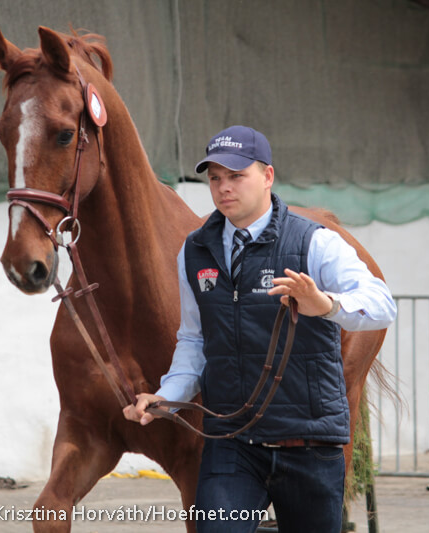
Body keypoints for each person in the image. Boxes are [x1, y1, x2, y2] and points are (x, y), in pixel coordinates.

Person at [123, 126, 396, 533]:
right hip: (232, 446)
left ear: (267, 176)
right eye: (215, 178)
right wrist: (168, 397)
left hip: (309, 446)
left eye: (236, 176)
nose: (223, 187)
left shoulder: (315, 242)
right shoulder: (194, 251)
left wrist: (325, 305)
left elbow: (382, 304)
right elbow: (194, 340)